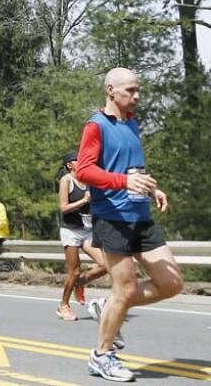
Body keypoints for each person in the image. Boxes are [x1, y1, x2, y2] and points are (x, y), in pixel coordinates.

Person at [76, 68, 183, 383]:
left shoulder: (132, 123)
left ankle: (108, 307)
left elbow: (133, 168)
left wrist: (152, 189)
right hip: (112, 218)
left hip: (141, 217)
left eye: (139, 90)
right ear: (111, 90)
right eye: (131, 90)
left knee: (172, 283)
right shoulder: (96, 126)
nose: (137, 96)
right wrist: (123, 181)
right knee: (126, 289)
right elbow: (84, 171)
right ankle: (102, 356)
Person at [56, 150, 107, 321]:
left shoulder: (88, 181)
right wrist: (84, 201)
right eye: (78, 160)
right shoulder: (66, 180)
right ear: (70, 165)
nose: (82, 161)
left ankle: (81, 282)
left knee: (105, 264)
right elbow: (63, 207)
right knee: (74, 270)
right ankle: (63, 305)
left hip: (87, 231)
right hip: (70, 230)